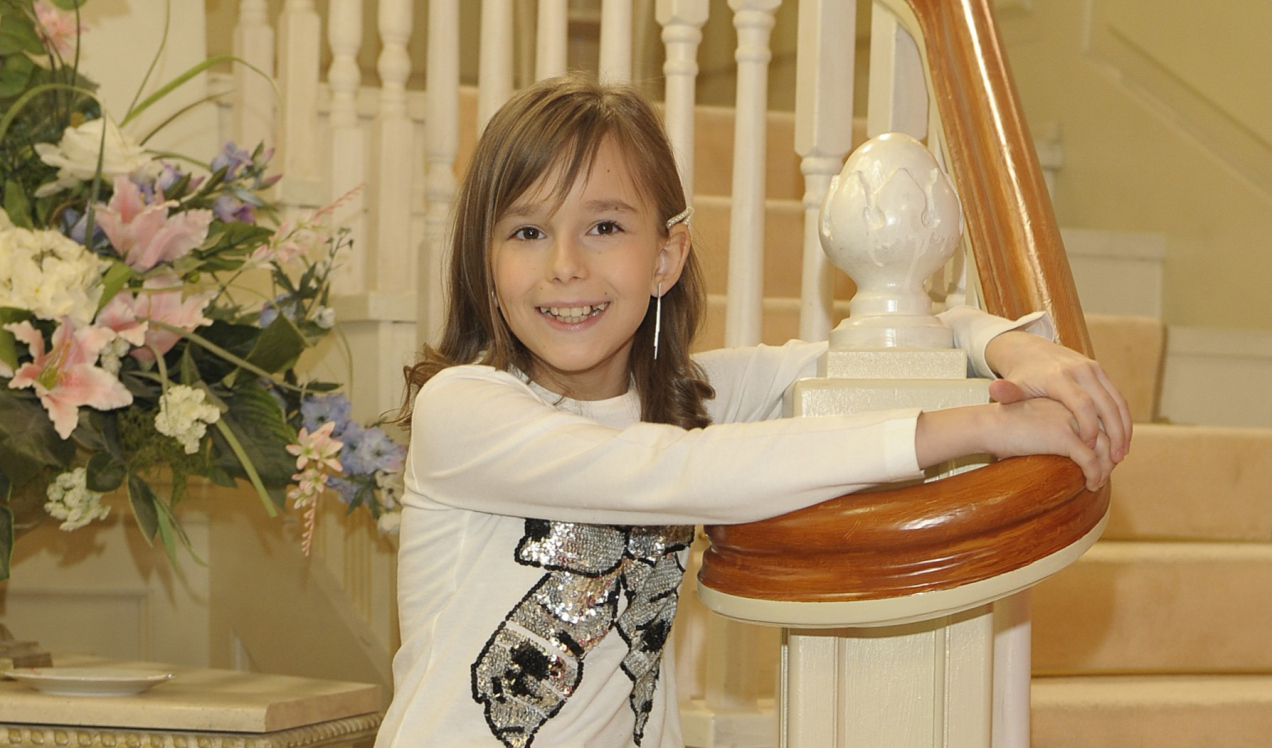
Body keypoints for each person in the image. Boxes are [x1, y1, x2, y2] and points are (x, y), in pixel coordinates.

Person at [375, 74, 1131, 748]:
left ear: (666, 257)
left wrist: (1007, 345)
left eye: (604, 227)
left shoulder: (680, 401)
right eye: (528, 232)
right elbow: (670, 472)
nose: (565, 265)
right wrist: (976, 426)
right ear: (487, 263)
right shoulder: (464, 410)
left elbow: (864, 349)